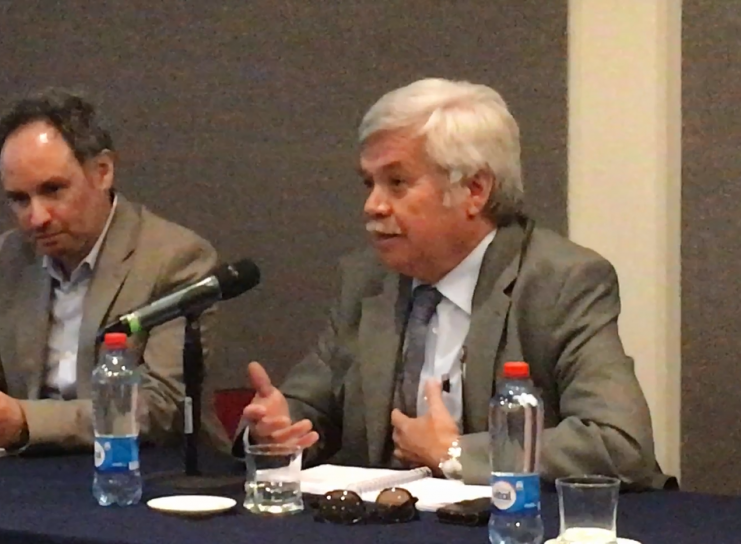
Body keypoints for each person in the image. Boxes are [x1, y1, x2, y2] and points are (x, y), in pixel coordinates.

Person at [239, 78, 670, 489]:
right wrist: (275, 430)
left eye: (397, 182)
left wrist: (457, 453)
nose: (373, 205)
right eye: (369, 184)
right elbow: (308, 408)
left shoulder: (560, 282)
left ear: (474, 189)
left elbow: (618, 443)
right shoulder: (368, 281)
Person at [0, 88, 226, 452]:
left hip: (149, 468)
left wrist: (26, 422)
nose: (37, 217)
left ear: (103, 171)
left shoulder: (176, 258)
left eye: (53, 190)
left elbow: (160, 408)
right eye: (19, 199)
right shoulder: (8, 257)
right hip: (35, 467)